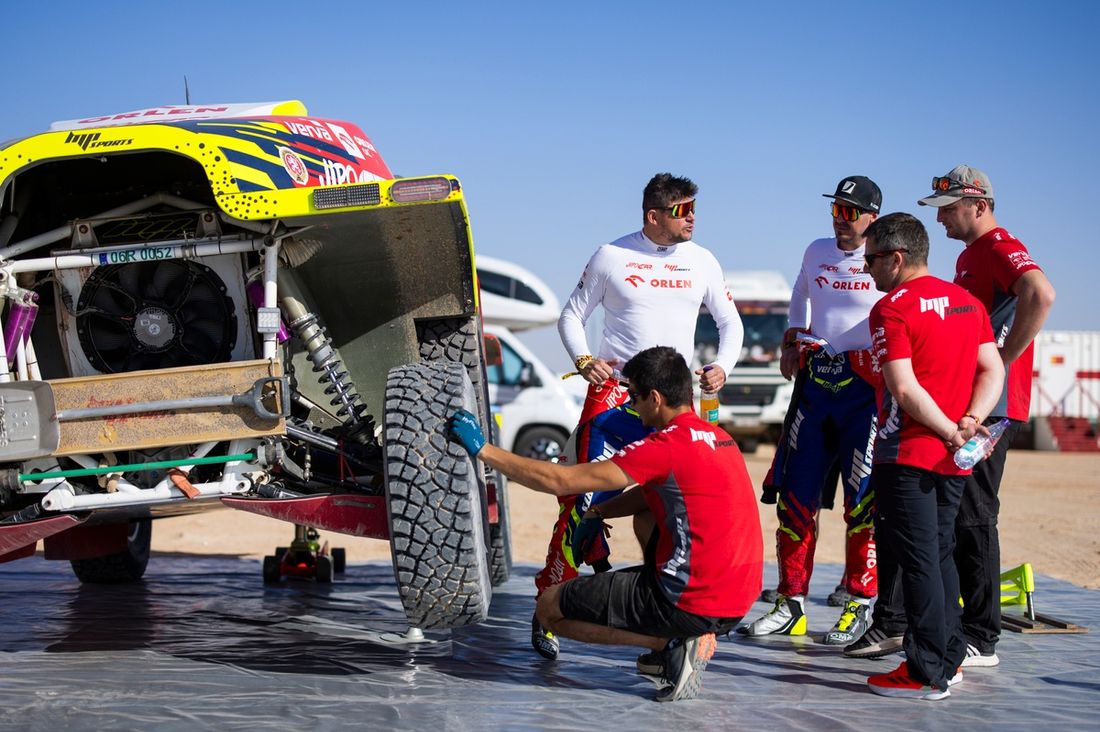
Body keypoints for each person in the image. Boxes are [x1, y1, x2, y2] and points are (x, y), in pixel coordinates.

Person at [447, 347, 763, 702]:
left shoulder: (663, 446)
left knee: (549, 608)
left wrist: (484, 450)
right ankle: (675, 641)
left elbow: (560, 481)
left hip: (692, 600)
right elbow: (648, 496)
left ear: (655, 398)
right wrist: (597, 513)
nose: (631, 405)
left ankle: (670, 641)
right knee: (650, 515)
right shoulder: (720, 439)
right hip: (738, 599)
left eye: (635, 397)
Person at [532, 173, 744, 659]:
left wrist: (723, 368)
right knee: (580, 502)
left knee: (667, 506)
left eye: (694, 209)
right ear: (653, 215)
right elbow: (571, 316)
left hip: (672, 399)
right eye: (682, 209)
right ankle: (546, 602)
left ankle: (669, 608)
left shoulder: (703, 260)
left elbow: (729, 322)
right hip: (615, 396)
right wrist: (585, 360)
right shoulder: (611, 255)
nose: (692, 217)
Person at [915, 165, 1055, 668]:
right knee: (957, 513)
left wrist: (1003, 360)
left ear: (979, 205)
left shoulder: (998, 245)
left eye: (949, 209)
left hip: (993, 409)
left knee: (974, 515)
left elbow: (1040, 294)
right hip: (976, 404)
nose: (942, 220)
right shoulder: (971, 253)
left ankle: (981, 635)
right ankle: (967, 622)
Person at [860, 212, 1004, 699]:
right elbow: (993, 371)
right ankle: (948, 656)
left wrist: (948, 431)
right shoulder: (967, 303)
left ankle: (925, 672)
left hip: (910, 453)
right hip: (952, 456)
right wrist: (969, 422)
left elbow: (903, 387)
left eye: (872, 258)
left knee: (920, 560)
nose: (866, 269)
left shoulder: (892, 308)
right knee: (939, 556)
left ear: (896, 258)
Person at [739, 176, 883, 646]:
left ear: (871, 217)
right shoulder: (816, 249)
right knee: (795, 497)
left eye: (849, 212)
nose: (839, 222)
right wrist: (790, 340)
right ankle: (791, 603)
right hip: (817, 384)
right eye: (835, 211)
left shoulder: (885, 253)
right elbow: (799, 296)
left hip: (866, 390)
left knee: (862, 501)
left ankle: (861, 603)